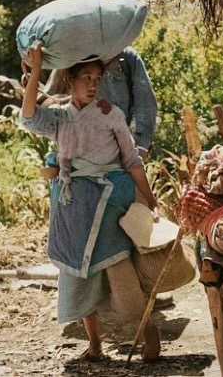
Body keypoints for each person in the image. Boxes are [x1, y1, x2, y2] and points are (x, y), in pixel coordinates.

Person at [20, 44, 162, 362]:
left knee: (118, 267)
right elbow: (28, 116)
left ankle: (146, 330)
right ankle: (95, 343)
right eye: (85, 77)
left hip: (110, 199)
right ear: (69, 80)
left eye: (97, 78)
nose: (93, 84)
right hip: (73, 205)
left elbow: (132, 160)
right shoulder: (59, 117)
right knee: (77, 272)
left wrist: (151, 199)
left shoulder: (111, 115)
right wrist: (36, 69)